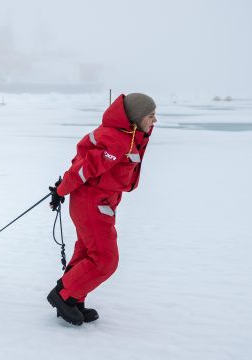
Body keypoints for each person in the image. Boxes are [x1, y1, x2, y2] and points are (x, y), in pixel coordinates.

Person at [47, 93, 157, 326]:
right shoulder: (117, 141)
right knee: (105, 260)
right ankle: (64, 294)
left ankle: (74, 298)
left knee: (88, 253)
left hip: (99, 203)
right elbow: (83, 169)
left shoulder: (127, 136)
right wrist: (61, 191)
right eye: (151, 115)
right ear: (136, 117)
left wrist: (63, 190)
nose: (155, 120)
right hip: (92, 205)